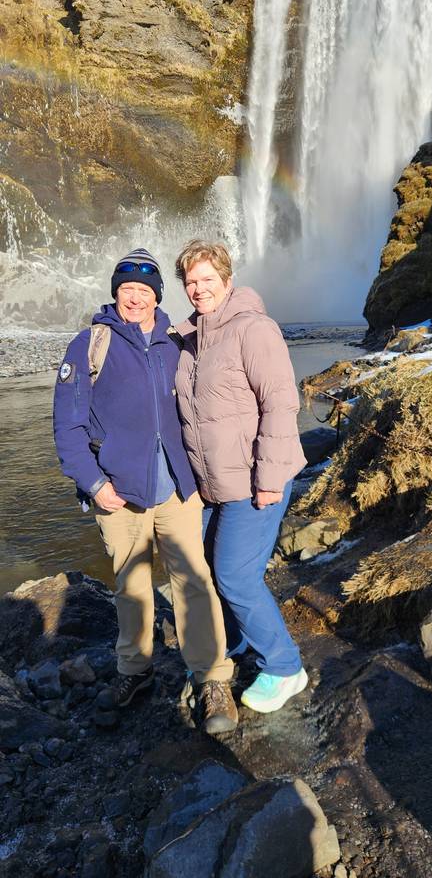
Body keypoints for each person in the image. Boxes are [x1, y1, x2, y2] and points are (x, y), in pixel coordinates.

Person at [53, 247, 237, 733]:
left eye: (144, 289)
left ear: (157, 294)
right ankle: (135, 671)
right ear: (116, 292)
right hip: (118, 492)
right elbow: (67, 427)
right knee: (131, 588)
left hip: (178, 486)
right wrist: (94, 483)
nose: (135, 298)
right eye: (127, 289)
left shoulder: (179, 340)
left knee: (194, 581)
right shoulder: (89, 345)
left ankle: (213, 679)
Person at [174, 239, 308, 714]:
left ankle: (285, 665)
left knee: (235, 575)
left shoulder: (254, 329)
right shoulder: (189, 339)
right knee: (212, 568)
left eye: (207, 279)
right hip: (216, 484)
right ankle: (232, 651)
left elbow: (280, 402)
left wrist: (269, 478)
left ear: (228, 281)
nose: (198, 288)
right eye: (190, 281)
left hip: (255, 479)